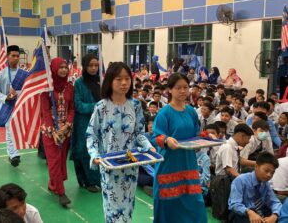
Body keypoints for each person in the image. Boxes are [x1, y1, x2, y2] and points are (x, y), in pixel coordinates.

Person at [86, 62, 154, 223]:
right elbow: (91, 135)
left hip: (130, 165)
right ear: (110, 81)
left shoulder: (136, 105)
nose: (124, 83)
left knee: (128, 208)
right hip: (109, 166)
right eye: (118, 79)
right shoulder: (101, 107)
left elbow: (139, 134)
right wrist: (95, 155)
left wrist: (148, 147)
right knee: (112, 210)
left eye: (127, 79)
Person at [151, 73, 207, 223]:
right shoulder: (164, 113)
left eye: (185, 87)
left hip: (188, 163)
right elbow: (155, 136)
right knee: (168, 204)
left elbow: (196, 134)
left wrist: (207, 137)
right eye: (178, 88)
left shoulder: (191, 112)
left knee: (195, 203)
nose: (183, 91)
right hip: (169, 164)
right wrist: (167, 139)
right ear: (169, 90)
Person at [40, 58, 74, 207]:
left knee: (60, 160)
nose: (63, 70)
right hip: (50, 132)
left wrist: (67, 125)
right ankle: (61, 192)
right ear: (53, 69)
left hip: (65, 131)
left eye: (65, 67)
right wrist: (53, 130)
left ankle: (53, 184)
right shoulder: (46, 88)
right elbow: (45, 111)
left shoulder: (70, 87)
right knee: (53, 161)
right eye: (60, 67)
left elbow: (72, 108)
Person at [0, 45, 28, 167]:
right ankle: (14, 154)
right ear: (7, 57)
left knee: (16, 130)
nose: (16, 58)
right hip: (6, 107)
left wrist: (18, 94)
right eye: (13, 56)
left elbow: (27, 90)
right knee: (9, 130)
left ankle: (14, 152)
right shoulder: (1, 74)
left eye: (18, 56)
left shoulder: (24, 74)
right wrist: (6, 98)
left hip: (20, 106)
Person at [71, 54, 101, 192]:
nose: (94, 68)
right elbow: (78, 105)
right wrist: (97, 106)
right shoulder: (79, 83)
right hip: (83, 123)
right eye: (90, 65)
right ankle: (86, 181)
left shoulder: (101, 82)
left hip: (99, 123)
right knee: (84, 151)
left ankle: (97, 180)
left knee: (98, 150)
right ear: (85, 66)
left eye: (96, 65)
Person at [228, 152, 281, 223]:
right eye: (266, 170)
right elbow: (234, 204)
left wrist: (274, 215)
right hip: (243, 214)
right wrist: (249, 212)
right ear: (256, 166)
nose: (269, 175)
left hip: (260, 212)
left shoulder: (265, 183)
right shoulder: (240, 180)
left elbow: (274, 202)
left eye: (272, 172)